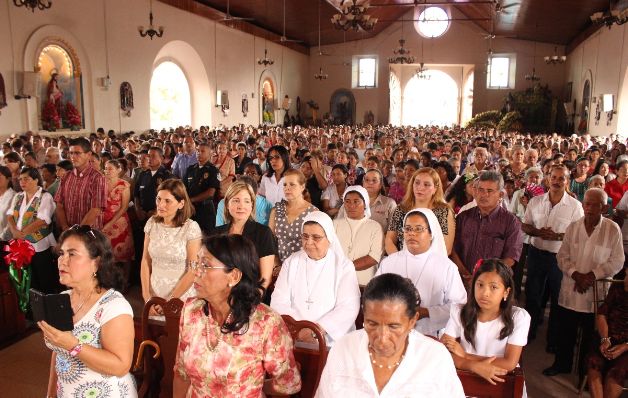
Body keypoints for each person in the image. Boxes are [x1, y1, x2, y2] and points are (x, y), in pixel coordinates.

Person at [173, 234, 301, 397]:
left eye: (205, 265)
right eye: (196, 263)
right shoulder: (192, 310)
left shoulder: (266, 323)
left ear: (234, 276)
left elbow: (287, 384)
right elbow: (181, 373)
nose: (195, 272)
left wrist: (253, 389)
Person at [315, 273, 465, 397]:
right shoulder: (343, 349)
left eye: (393, 326)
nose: (382, 337)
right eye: (372, 324)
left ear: (412, 321)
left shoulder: (435, 358)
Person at [40, 226, 136, 397]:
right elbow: (58, 353)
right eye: (61, 253)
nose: (62, 261)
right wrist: (50, 395)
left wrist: (73, 346)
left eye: (72, 254)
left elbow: (121, 366)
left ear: (96, 263)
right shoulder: (63, 299)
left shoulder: (113, 306)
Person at [543, 188, 624, 377]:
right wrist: (577, 275)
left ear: (604, 207)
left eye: (595, 205)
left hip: (595, 294)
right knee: (566, 333)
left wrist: (592, 276)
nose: (589, 208)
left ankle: (584, 372)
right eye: (587, 203)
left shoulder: (612, 230)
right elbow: (562, 256)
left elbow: (617, 261)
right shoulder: (573, 227)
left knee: (590, 338)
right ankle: (562, 364)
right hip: (571, 288)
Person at [271, 211, 361, 345]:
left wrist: (316, 331)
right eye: (305, 236)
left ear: (329, 238)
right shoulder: (291, 262)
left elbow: (348, 306)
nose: (309, 242)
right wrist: (298, 329)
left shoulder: (343, 266)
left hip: (331, 340)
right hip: (294, 335)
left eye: (316, 237)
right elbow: (278, 300)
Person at [376, 208, 466, 337]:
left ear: (431, 233)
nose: (412, 233)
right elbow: (375, 295)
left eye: (418, 229)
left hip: (429, 335)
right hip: (391, 332)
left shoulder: (446, 267)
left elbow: (459, 306)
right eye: (407, 229)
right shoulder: (389, 262)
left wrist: (427, 312)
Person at [442, 259, 530, 388]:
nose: (485, 293)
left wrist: (465, 356)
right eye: (480, 285)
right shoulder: (459, 311)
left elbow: (509, 363)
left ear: (506, 292)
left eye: (493, 287)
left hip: (500, 379)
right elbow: (444, 352)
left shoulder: (518, 317)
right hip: (462, 378)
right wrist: (472, 366)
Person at [522, 164, 584, 348]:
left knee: (557, 299)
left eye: (561, 178)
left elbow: (578, 235)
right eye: (554, 177)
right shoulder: (536, 201)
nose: (557, 182)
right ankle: (528, 334)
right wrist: (538, 232)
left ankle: (553, 340)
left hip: (559, 258)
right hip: (536, 254)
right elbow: (525, 225)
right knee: (532, 296)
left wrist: (557, 236)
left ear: (567, 181)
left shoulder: (575, 206)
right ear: (548, 178)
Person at [141, 179, 202, 316]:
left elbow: (193, 269)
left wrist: (170, 301)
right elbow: (145, 261)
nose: (161, 205)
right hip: (154, 295)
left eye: (167, 201)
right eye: (158, 199)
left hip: (181, 295)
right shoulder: (151, 223)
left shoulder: (191, 228)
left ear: (181, 204)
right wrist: (147, 297)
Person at [452, 170, 523, 285]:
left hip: (492, 284)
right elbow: (453, 249)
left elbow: (510, 258)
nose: (484, 195)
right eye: (480, 190)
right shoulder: (463, 217)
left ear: (500, 195)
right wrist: (465, 275)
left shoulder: (511, 222)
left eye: (490, 191)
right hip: (461, 282)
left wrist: (483, 279)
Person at [213, 181, 276, 290]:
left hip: (250, 295)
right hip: (220, 292)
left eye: (246, 201)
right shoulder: (216, 233)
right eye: (236, 201)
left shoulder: (263, 233)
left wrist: (252, 301)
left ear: (252, 205)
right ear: (227, 204)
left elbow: (265, 279)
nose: (241, 206)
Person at [6, 167, 59, 293]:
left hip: (39, 245)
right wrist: (14, 231)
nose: (22, 182)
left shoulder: (45, 196)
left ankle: (47, 307)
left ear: (36, 180)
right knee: (29, 280)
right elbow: (10, 215)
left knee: (44, 280)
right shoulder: (18, 196)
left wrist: (21, 234)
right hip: (21, 245)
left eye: (26, 179)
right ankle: (32, 309)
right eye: (20, 179)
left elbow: (43, 220)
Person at [385, 168, 455, 255]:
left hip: (431, 265)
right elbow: (389, 240)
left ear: (435, 188)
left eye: (426, 184)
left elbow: (446, 249)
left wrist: (420, 263)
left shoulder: (444, 211)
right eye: (417, 183)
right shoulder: (401, 209)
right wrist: (399, 260)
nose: (420, 188)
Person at [586, 268, 628, 398]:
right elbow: (602, 313)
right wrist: (605, 339)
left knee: (617, 372)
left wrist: (624, 347)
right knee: (594, 362)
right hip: (608, 335)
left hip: (627, 344)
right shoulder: (617, 287)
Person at [334, 186, 383, 285]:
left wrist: (345, 268)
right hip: (337, 280)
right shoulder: (335, 224)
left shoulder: (375, 227)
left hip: (364, 282)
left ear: (365, 204)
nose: (351, 205)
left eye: (356, 201)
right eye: (347, 201)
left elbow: (373, 258)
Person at [55, 137, 107, 230]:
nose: (73, 157)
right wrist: (65, 227)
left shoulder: (97, 178)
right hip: (68, 231)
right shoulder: (66, 176)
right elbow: (59, 204)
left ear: (89, 154)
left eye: (77, 153)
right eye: (71, 153)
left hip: (89, 233)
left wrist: (78, 232)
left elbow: (96, 209)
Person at [269, 169, 317, 263]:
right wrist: (276, 264)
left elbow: (315, 246)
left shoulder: (313, 212)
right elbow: (269, 242)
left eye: (292, 184)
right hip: (278, 266)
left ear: (302, 187)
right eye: (285, 185)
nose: (287, 188)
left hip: (304, 265)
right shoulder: (276, 210)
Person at [183, 142, 220, 235]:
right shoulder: (190, 169)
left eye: (202, 151)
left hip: (205, 210)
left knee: (206, 239)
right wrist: (188, 202)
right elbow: (183, 188)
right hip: (190, 209)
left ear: (210, 153)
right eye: (198, 151)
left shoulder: (213, 170)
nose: (199, 153)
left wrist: (190, 200)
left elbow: (210, 192)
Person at [102, 160, 134, 267]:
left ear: (118, 170)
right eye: (105, 168)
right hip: (102, 221)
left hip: (119, 222)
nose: (107, 171)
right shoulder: (101, 183)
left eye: (110, 168)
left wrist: (111, 223)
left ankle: (125, 281)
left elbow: (124, 207)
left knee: (124, 253)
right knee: (106, 253)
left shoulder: (124, 185)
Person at [0, 165, 15, 239]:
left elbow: (11, 223)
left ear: (8, 179)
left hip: (5, 239)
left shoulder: (14, 196)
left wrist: (2, 237)